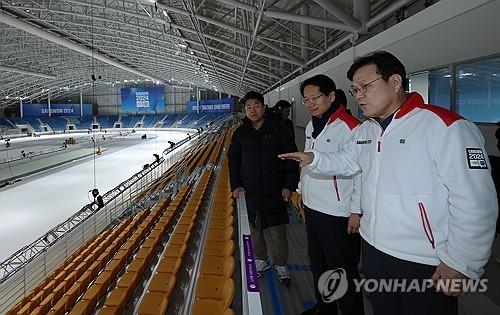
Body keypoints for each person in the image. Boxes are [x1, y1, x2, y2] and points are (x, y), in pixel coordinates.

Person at [280, 51, 498, 315]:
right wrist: (312, 158)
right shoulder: (365, 131)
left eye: (366, 87)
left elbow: (476, 203)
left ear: (395, 82)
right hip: (374, 250)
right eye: (355, 89)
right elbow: (346, 161)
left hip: (424, 259)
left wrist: (462, 263)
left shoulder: (446, 127)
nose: (358, 95)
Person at [298, 75, 364, 315]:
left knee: (342, 270)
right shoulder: (311, 125)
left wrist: (356, 211)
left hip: (338, 212)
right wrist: (300, 192)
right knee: (319, 264)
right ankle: (324, 309)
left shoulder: (351, 127)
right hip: (313, 206)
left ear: (331, 96)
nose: (310, 103)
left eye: (315, 97)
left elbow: (359, 171)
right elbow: (305, 162)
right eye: (306, 100)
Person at [228, 91, 299, 285]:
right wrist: (236, 185)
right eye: (248, 107)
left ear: (263, 107)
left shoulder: (278, 129)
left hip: (274, 189)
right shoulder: (241, 132)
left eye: (256, 105)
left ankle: (281, 263)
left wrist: (288, 185)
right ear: (244, 110)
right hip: (250, 191)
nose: (252, 110)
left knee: (277, 231)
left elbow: (291, 157)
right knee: (255, 229)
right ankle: (261, 259)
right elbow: (233, 159)